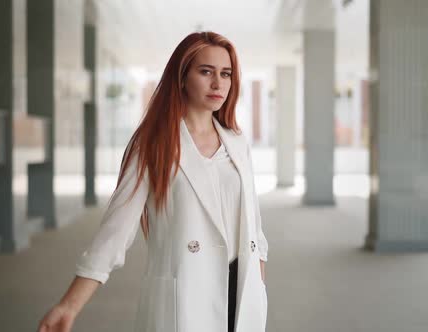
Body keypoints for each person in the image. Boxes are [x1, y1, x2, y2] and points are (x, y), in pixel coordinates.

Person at [37, 31, 268, 332]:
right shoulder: (153, 144)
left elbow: (256, 234)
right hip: (185, 301)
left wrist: (259, 291)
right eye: (206, 71)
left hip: (242, 299)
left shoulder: (237, 143)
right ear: (182, 78)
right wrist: (69, 305)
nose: (218, 83)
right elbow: (115, 233)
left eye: (226, 74)